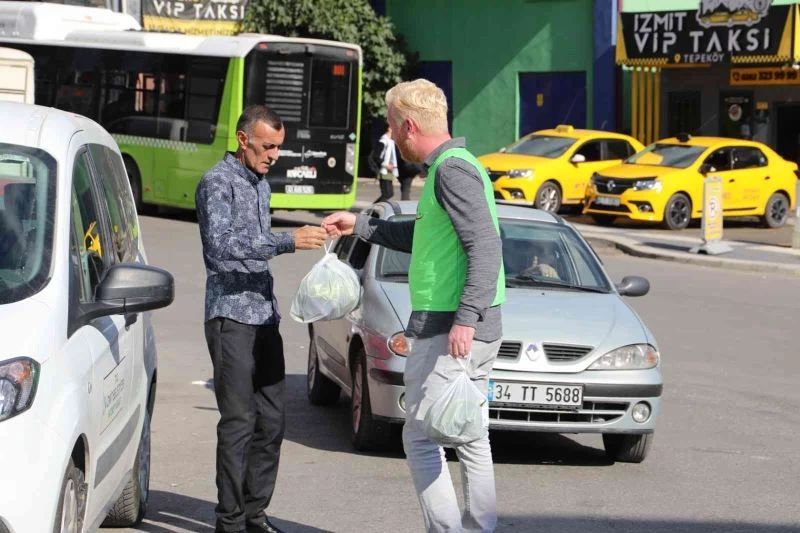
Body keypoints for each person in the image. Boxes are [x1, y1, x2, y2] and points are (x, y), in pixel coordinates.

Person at [322, 79, 505, 533]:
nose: (389, 133)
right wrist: (362, 225)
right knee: (469, 435)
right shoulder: (458, 165)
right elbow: (423, 237)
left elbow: (486, 246)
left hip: (450, 331)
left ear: (408, 126)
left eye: (390, 125)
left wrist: (465, 318)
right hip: (473, 328)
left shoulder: (450, 171)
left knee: (421, 438)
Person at [195, 104, 328, 533]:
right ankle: (229, 521)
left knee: (272, 421)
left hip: (264, 314)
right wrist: (287, 241)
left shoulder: (261, 185)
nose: (273, 155)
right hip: (230, 315)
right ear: (243, 139)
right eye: (267, 146)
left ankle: (254, 514)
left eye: (278, 148)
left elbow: (254, 243)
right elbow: (219, 248)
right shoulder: (217, 183)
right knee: (239, 422)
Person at [374, 123, 398, 203]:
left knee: (390, 193)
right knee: (387, 194)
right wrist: (385, 165)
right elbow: (376, 156)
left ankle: (374, 208)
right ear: (389, 128)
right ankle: (372, 209)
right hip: (384, 170)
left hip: (389, 171)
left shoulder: (390, 141)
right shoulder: (383, 141)